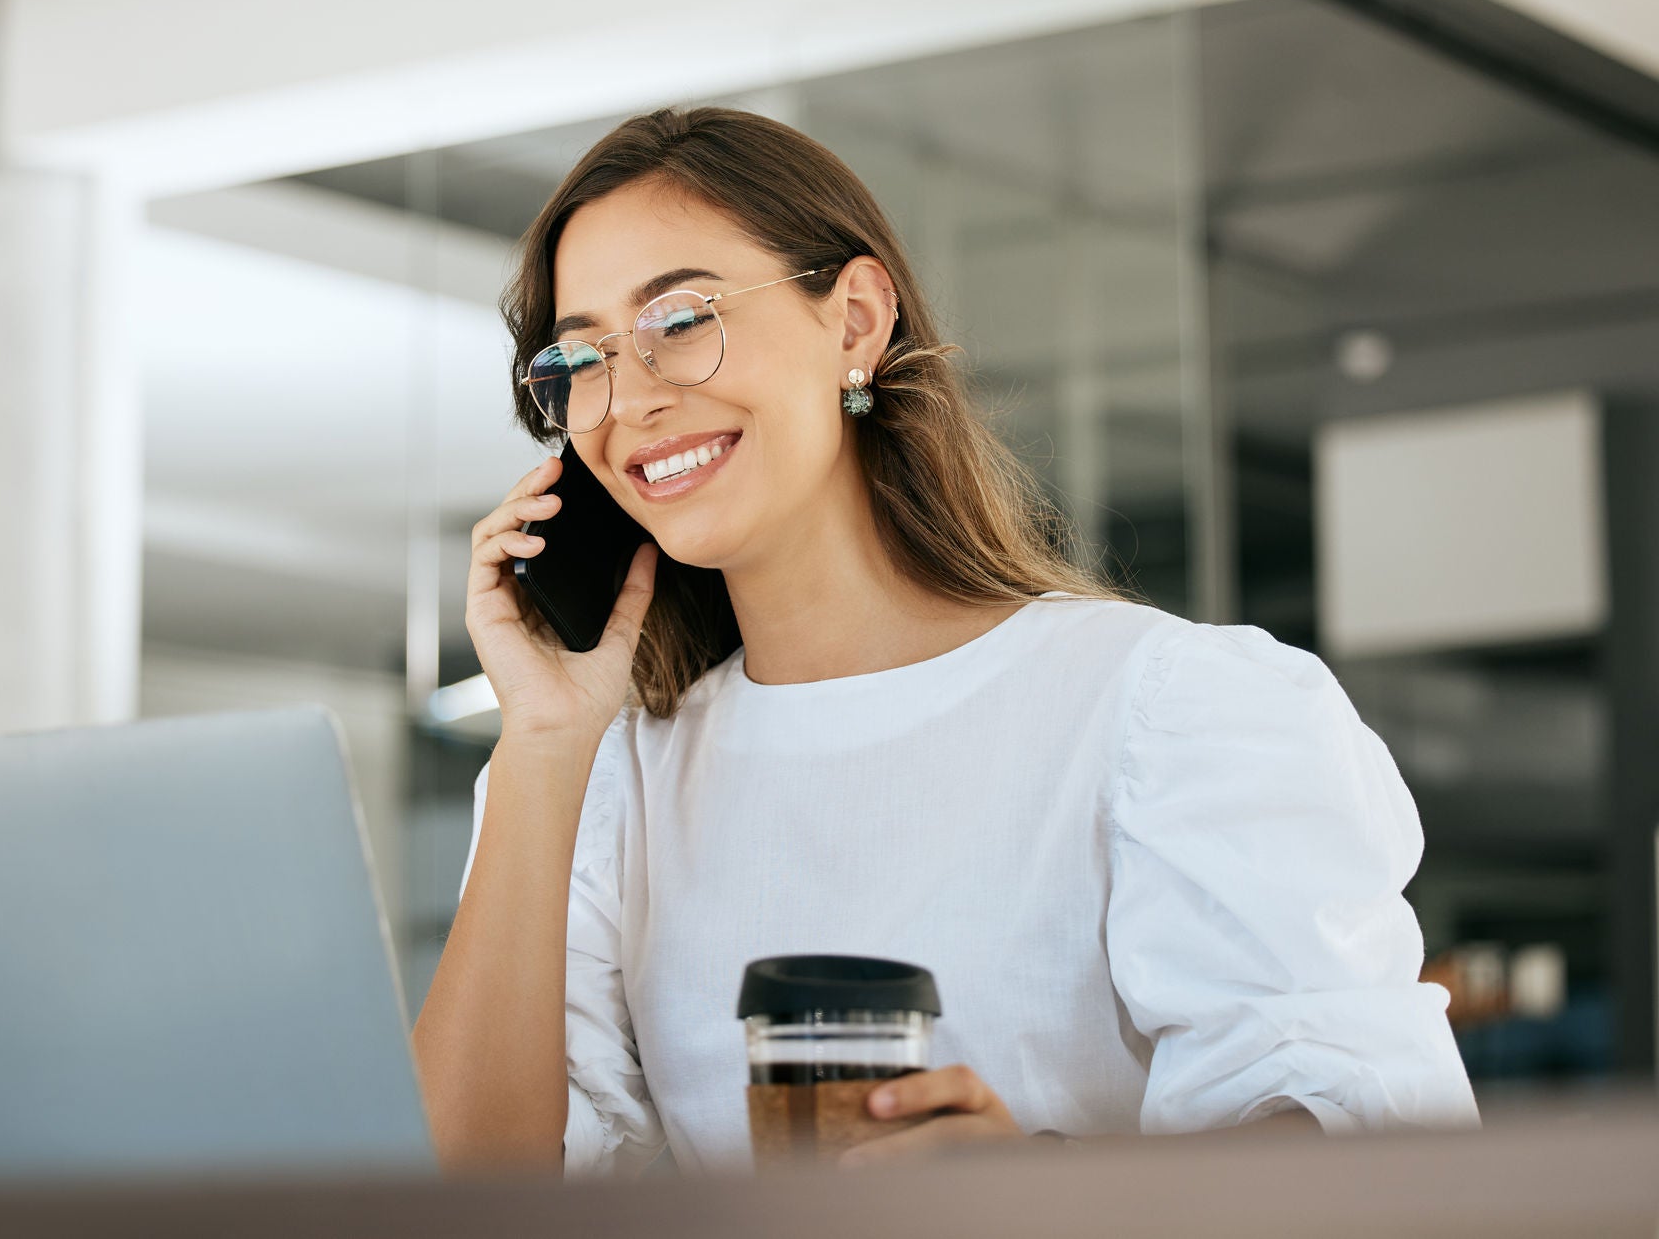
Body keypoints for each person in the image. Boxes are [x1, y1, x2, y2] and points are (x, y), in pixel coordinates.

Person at [410, 106, 1479, 1176]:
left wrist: (1046, 1192)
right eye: (579, 356)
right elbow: (466, 1189)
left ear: (855, 321)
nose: (630, 396)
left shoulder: (1160, 710)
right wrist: (544, 745)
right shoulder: (604, 781)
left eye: (680, 319)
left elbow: (1374, 1158)